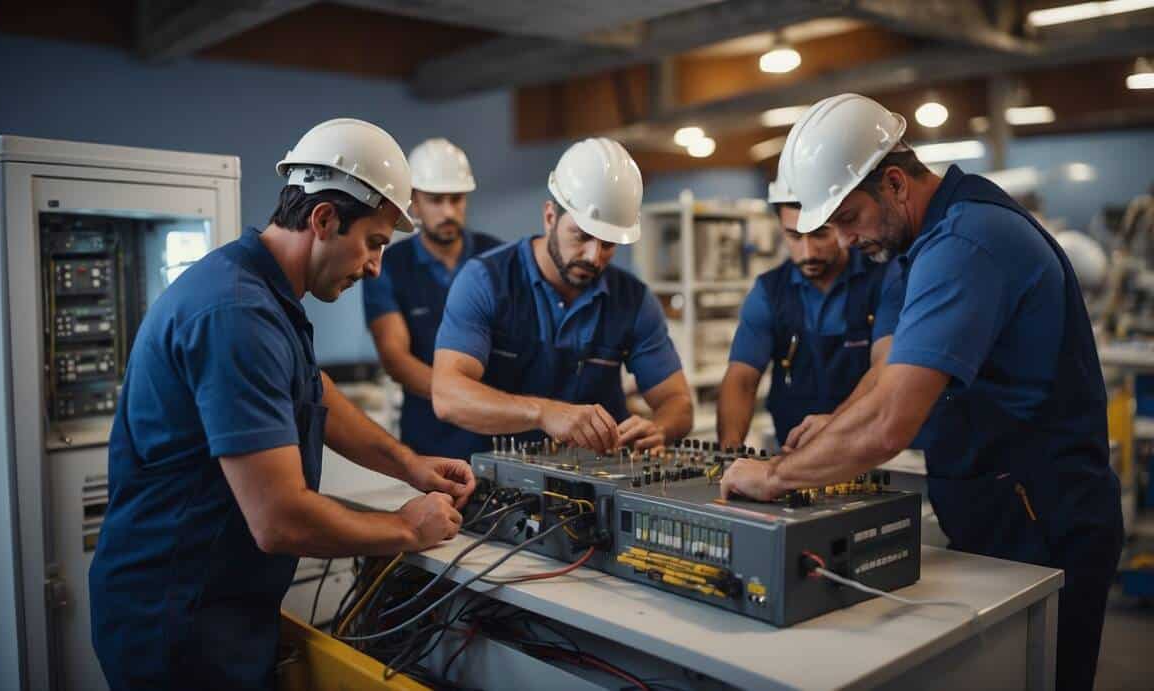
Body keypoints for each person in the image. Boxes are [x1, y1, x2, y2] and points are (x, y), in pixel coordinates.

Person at [720, 93, 1122, 691]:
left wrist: (776, 476)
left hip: (1043, 520)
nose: (848, 240)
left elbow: (891, 422)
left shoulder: (965, 244)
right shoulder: (932, 240)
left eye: (850, 218)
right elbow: (890, 374)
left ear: (895, 183)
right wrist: (830, 431)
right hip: (1004, 509)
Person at [89, 119, 476, 690]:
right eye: (373, 243)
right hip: (175, 621)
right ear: (323, 219)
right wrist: (404, 529)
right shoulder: (237, 315)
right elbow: (278, 519)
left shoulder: (262, 291)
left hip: (220, 607)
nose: (375, 266)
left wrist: (408, 464)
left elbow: (313, 390)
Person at [430, 137, 692, 453]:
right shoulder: (486, 281)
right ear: (550, 216)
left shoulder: (633, 300)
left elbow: (677, 400)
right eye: (581, 236)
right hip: (494, 482)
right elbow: (447, 395)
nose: (594, 257)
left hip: (599, 484)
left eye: (608, 244)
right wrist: (544, 413)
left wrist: (659, 428)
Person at [717, 178, 903, 450]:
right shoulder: (769, 292)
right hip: (794, 452)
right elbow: (742, 380)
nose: (807, 252)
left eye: (819, 234)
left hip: (875, 452)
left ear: (842, 221)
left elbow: (885, 368)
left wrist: (834, 426)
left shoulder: (885, 278)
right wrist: (729, 451)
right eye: (794, 236)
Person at [363, 138, 501, 460]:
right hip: (429, 438)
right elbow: (395, 358)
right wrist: (462, 398)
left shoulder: (497, 257)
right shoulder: (388, 266)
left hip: (498, 435)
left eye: (457, 199)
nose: (448, 211)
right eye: (436, 200)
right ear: (413, 202)